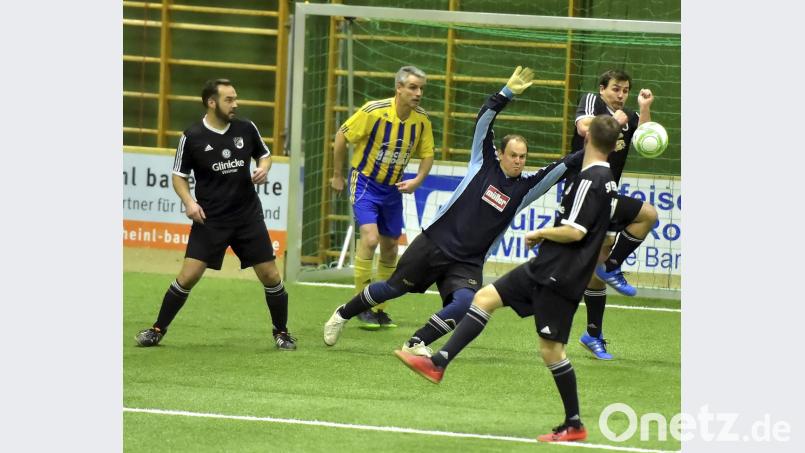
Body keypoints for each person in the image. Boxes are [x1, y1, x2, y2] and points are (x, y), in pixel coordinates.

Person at [323, 66, 584, 355]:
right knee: (394, 288)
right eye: (513, 155)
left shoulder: (526, 188)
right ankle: (342, 314)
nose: (518, 161)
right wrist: (506, 93)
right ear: (501, 154)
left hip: (468, 262)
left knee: (464, 304)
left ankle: (416, 342)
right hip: (434, 244)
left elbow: (565, 165)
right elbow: (484, 117)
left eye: (523, 157)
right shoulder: (482, 162)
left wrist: (600, 140)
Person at [395, 114, 623, 443]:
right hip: (547, 266)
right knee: (484, 299)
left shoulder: (592, 180)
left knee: (551, 351)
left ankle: (574, 423)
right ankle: (440, 361)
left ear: (588, 141)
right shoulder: (606, 178)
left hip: (560, 274)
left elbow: (576, 231)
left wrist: (542, 232)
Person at [135, 78, 296, 350]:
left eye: (235, 98)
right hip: (211, 220)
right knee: (188, 276)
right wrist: (189, 202)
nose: (235, 104)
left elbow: (265, 155)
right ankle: (157, 329)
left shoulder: (246, 128)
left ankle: (282, 333)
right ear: (212, 102)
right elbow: (178, 176)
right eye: (229, 99)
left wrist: (264, 167)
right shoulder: (192, 136)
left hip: (248, 217)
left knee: (270, 275)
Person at [330, 66, 435, 330]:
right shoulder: (373, 111)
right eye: (412, 87)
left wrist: (418, 180)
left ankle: (378, 307)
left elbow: (428, 154)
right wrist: (337, 174)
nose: (418, 93)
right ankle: (360, 304)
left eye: (421, 88)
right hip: (365, 182)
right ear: (398, 88)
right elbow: (342, 135)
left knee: (390, 248)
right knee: (370, 238)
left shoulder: (421, 120)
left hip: (392, 190)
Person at [570, 69, 659, 360]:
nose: (621, 95)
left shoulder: (629, 115)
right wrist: (614, 121)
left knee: (598, 264)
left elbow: (645, 139)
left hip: (605, 194)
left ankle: (593, 334)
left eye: (625, 91)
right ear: (602, 89)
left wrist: (644, 109)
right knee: (647, 214)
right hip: (583, 193)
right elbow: (585, 128)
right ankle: (612, 266)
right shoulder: (591, 103)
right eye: (616, 90)